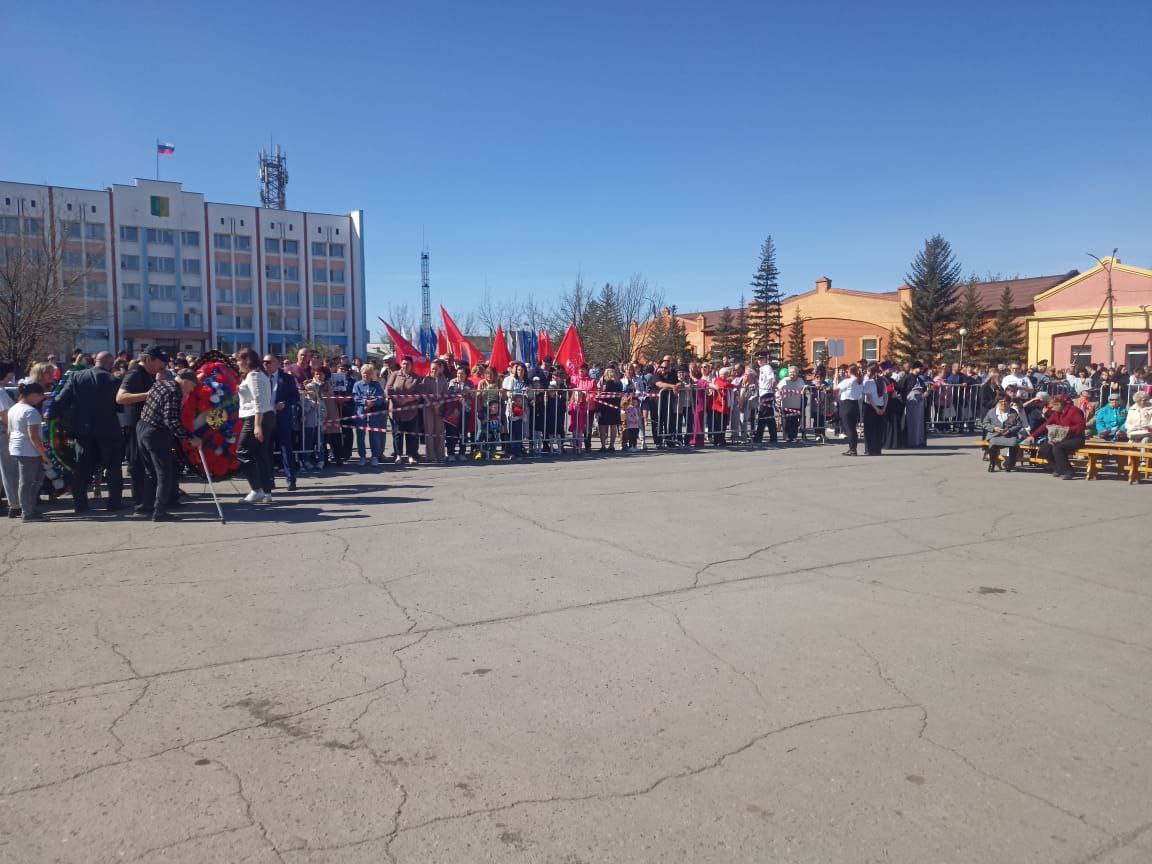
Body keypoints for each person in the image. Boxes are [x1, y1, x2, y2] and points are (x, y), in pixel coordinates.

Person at [51, 351, 125, 513]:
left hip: (83, 431)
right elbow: (120, 407)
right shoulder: (115, 380)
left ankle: (80, 504)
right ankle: (114, 503)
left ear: (94, 361)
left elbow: (60, 400)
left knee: (82, 468)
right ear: (110, 364)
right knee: (113, 467)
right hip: (108, 430)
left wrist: (51, 416)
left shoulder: (77, 377)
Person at [135, 370, 201, 521]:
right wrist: (190, 438)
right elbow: (171, 421)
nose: (191, 390)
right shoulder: (174, 392)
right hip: (156, 433)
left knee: (150, 471)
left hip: (142, 427)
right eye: (192, 386)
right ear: (185, 381)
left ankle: (147, 506)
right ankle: (159, 512)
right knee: (164, 473)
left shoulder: (161, 384)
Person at [116, 349, 170, 509]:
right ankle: (139, 502)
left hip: (145, 424)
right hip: (134, 425)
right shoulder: (135, 373)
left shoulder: (148, 374)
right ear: (149, 360)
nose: (162, 367)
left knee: (147, 465)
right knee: (138, 465)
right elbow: (120, 398)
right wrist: (150, 394)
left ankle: (147, 501)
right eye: (160, 363)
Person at [7, 381, 52, 521]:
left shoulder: (14, 408)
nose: (40, 399)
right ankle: (27, 512)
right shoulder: (30, 411)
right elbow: (34, 436)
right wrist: (44, 454)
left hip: (18, 447)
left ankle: (29, 508)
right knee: (28, 482)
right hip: (28, 450)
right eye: (39, 396)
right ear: (32, 395)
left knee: (32, 481)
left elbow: (10, 431)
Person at [235, 349, 275, 503]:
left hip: (256, 417)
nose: (237, 363)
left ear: (246, 360)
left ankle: (256, 489)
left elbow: (259, 401)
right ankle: (266, 491)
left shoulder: (253, 376)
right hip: (262, 416)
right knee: (260, 454)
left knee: (242, 452)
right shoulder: (259, 375)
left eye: (239, 360)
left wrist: (257, 425)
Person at [1025, 393, 1086, 479]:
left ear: (1059, 404)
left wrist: (1068, 429)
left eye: (1052, 407)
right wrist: (1033, 435)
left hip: (1076, 438)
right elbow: (1046, 425)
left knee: (1058, 448)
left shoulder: (1074, 411)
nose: (1051, 409)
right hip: (1061, 437)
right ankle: (1058, 468)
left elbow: (1081, 426)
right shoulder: (1056, 413)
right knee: (1044, 449)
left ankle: (1068, 471)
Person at [264, 354, 300, 490]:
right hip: (266, 418)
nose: (265, 365)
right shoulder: (261, 378)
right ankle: (269, 479)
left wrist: (285, 403)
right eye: (264, 362)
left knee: (286, 448)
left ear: (277, 363)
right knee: (267, 450)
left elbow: (295, 396)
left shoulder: (287, 378)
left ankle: (291, 479)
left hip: (282, 417)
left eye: (268, 362)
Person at [387, 356, 423, 465]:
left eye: (407, 364)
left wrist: (406, 400)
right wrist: (397, 399)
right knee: (397, 434)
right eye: (403, 364)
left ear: (412, 365)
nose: (405, 366)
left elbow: (418, 394)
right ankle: (398, 455)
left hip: (410, 411)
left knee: (410, 434)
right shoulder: (394, 375)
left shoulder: (416, 378)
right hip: (396, 410)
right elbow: (388, 389)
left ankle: (410, 455)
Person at [352, 364, 387, 466]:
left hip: (374, 414)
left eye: (368, 373)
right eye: (364, 373)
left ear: (372, 374)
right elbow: (355, 398)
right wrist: (365, 402)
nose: (366, 375)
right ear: (361, 373)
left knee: (375, 435)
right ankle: (362, 456)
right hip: (361, 413)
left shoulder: (376, 385)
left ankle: (375, 456)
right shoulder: (357, 385)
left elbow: (381, 397)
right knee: (360, 436)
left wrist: (373, 402)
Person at [0, 360, 23, 516]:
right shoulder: (1, 392)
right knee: (9, 470)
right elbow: (4, 414)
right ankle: (14, 504)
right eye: (10, 372)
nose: (12, 376)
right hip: (3, 432)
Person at [982, 395, 1025, 472]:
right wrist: (994, 428)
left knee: (1014, 443)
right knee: (993, 444)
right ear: (998, 402)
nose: (1003, 403)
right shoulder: (991, 411)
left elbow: (1019, 425)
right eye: (1001, 401)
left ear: (1009, 403)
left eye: (1005, 402)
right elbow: (985, 423)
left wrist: (1010, 430)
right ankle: (992, 464)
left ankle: (1010, 464)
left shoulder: (1013, 412)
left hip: (1009, 435)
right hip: (994, 435)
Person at [445, 364, 474, 461]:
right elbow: (451, 395)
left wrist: (464, 391)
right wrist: (463, 392)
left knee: (463, 432)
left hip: (466, 410)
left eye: (461, 374)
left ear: (466, 375)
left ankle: (462, 452)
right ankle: (451, 453)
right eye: (458, 373)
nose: (459, 375)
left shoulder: (469, 383)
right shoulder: (452, 382)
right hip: (454, 411)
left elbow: (472, 394)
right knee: (452, 432)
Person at [422, 359, 449, 462]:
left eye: (436, 369)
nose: (434, 370)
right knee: (429, 431)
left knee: (439, 431)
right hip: (429, 408)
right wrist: (433, 405)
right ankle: (431, 456)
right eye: (432, 368)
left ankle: (440, 455)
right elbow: (424, 394)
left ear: (439, 369)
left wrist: (439, 404)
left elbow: (445, 393)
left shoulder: (443, 379)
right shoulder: (426, 379)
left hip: (440, 408)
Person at [836, 364, 864, 456]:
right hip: (854, 404)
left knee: (849, 429)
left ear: (849, 371)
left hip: (847, 404)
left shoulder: (848, 381)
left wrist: (834, 379)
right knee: (852, 428)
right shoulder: (859, 381)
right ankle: (853, 448)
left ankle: (852, 449)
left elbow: (835, 388)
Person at [753, 352, 778, 445]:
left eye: (761, 359)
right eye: (758, 359)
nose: (759, 361)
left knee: (762, 416)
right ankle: (773, 437)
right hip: (763, 393)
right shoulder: (762, 368)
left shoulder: (767, 367)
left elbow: (773, 379)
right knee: (769, 417)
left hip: (767, 394)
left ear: (765, 359)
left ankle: (758, 437)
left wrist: (773, 388)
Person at [862, 363, 887, 456]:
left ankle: (869, 449)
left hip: (871, 408)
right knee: (878, 429)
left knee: (869, 430)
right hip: (880, 406)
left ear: (870, 372)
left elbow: (869, 398)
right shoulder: (883, 382)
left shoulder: (868, 382)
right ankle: (878, 449)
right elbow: (886, 396)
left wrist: (876, 409)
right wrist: (884, 408)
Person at [596, 367, 623, 451]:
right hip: (615, 407)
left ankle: (603, 446)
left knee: (603, 426)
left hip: (604, 406)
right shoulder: (619, 383)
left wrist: (598, 409)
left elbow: (601, 394)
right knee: (613, 425)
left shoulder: (606, 383)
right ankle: (611, 446)